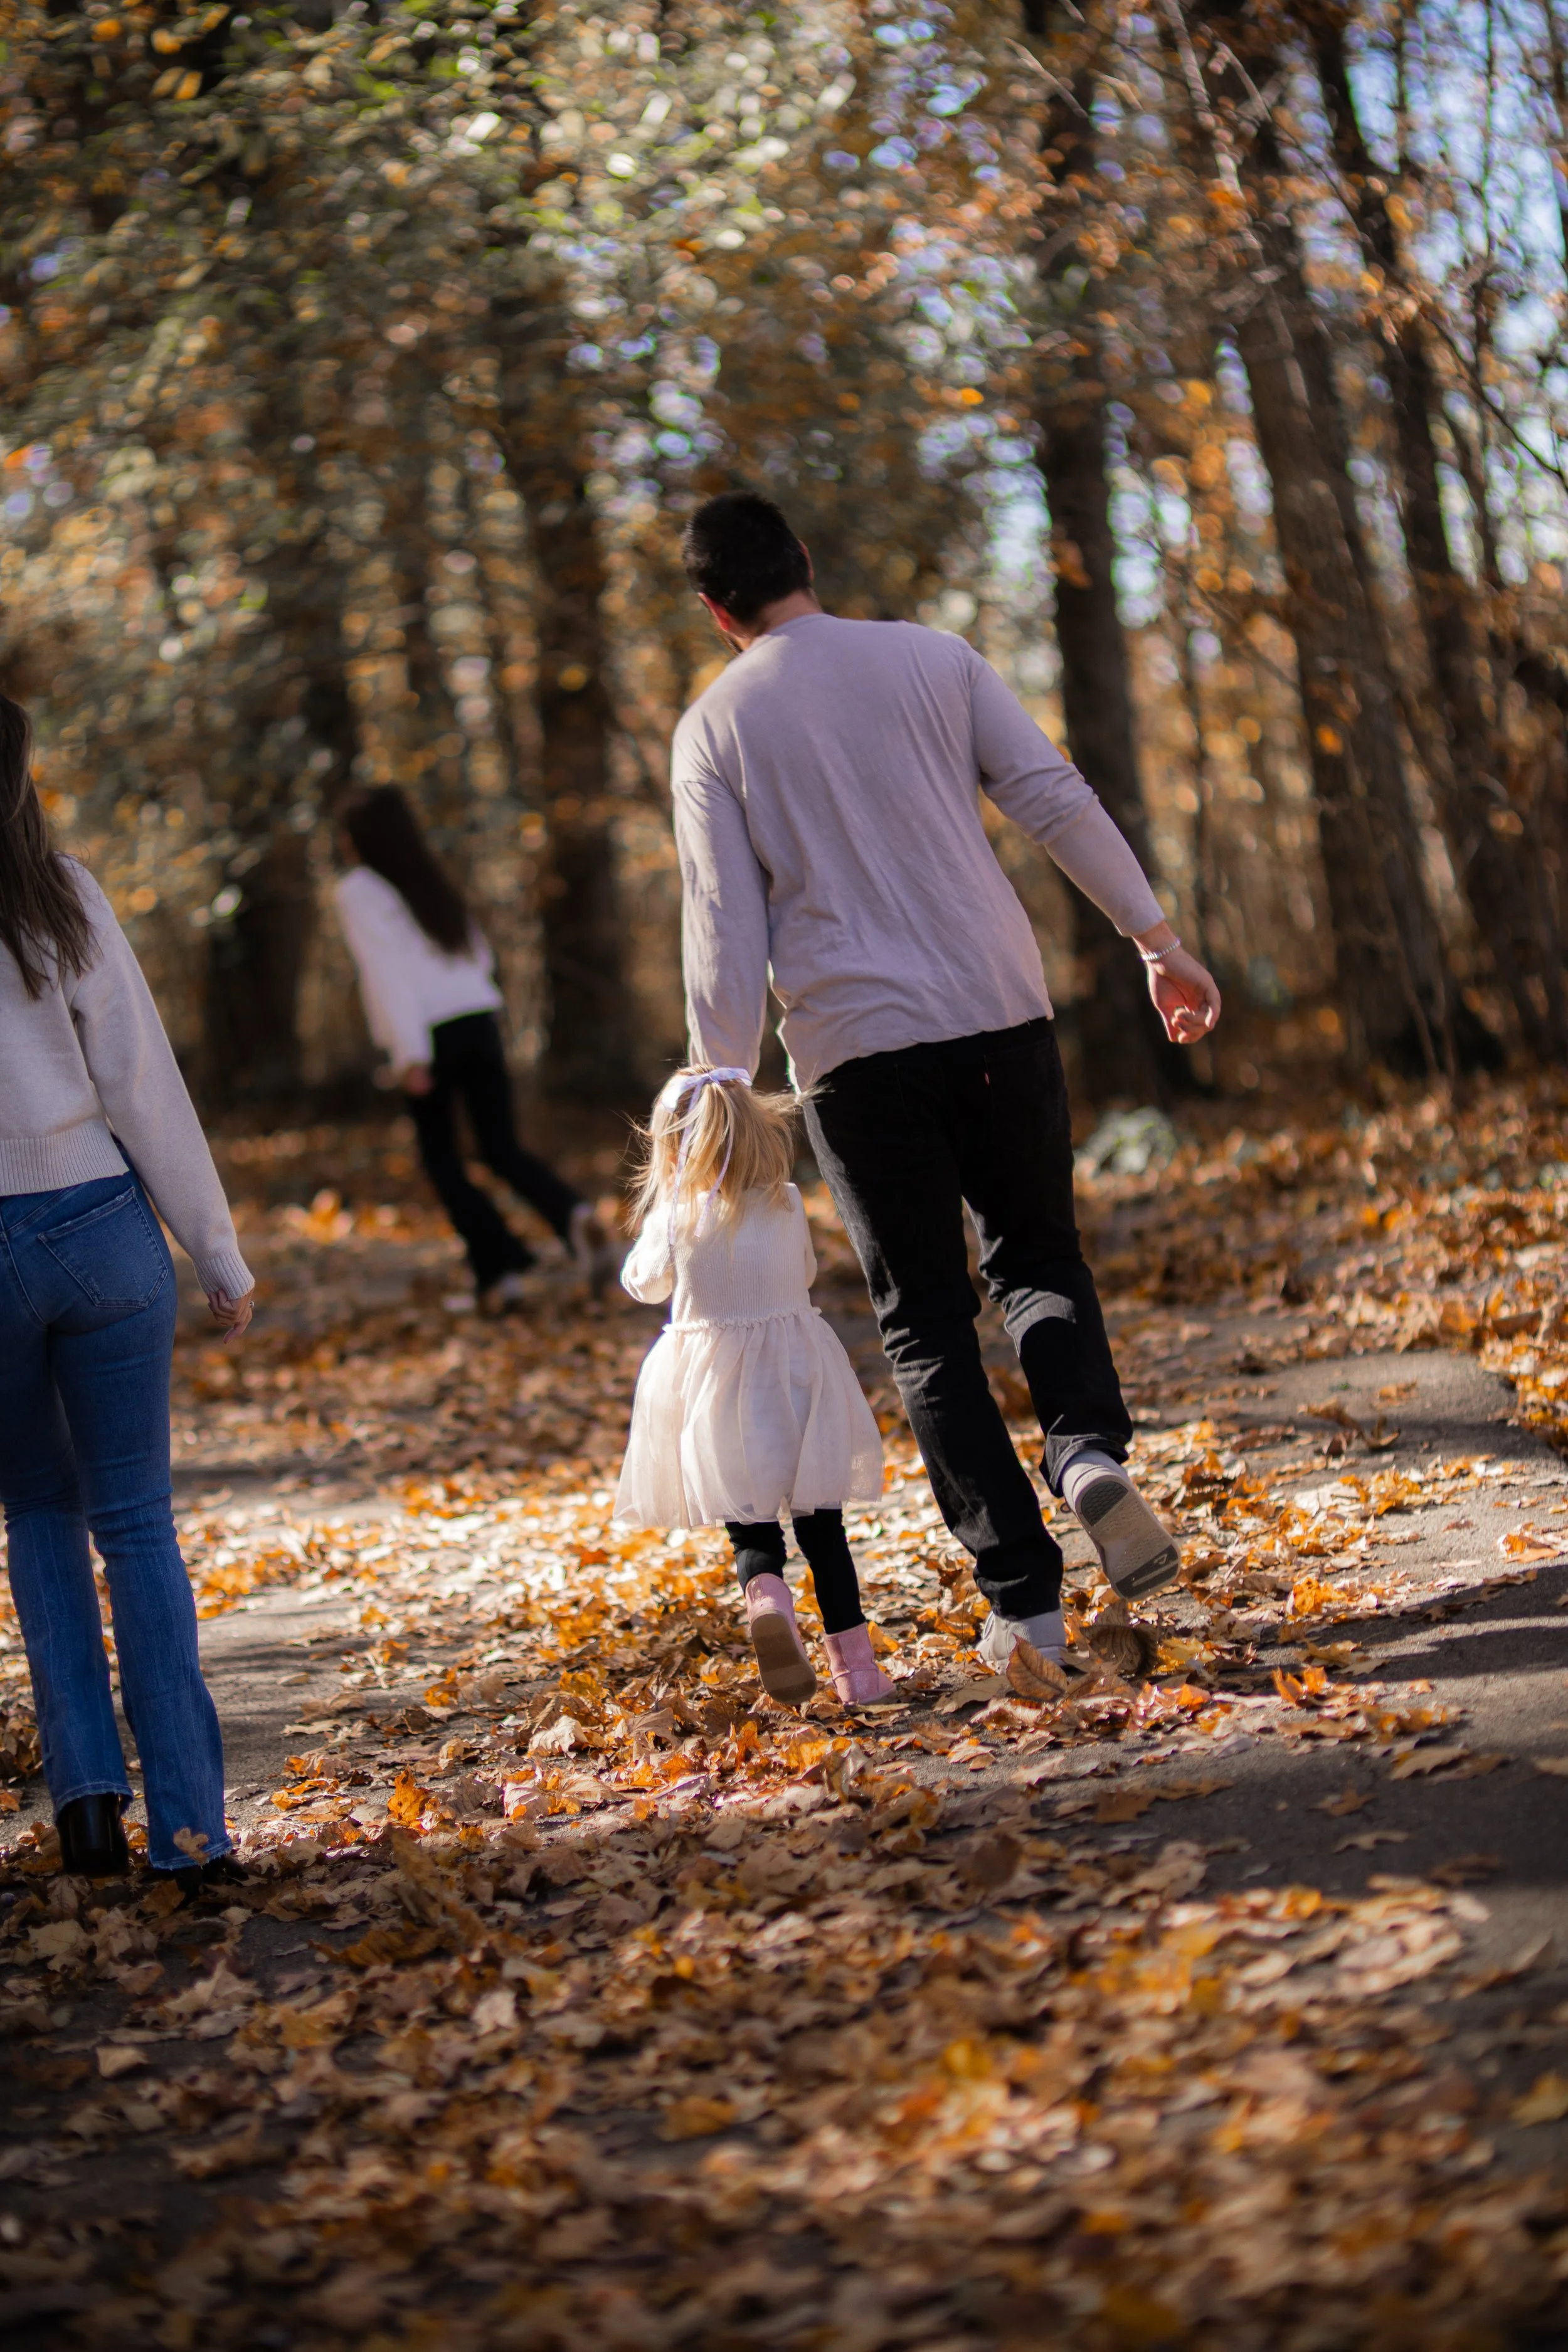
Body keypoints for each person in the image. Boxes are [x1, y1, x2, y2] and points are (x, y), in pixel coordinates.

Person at [671, 492, 1223, 1670]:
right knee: (1037, 1257)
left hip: (855, 1055)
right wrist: (1154, 940)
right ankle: (1087, 1455)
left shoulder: (715, 729)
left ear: (719, 612)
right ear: (807, 559)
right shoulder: (934, 657)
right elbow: (1053, 797)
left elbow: (723, 921)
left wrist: (721, 1078)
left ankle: (1026, 1605)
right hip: (998, 1013)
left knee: (926, 1323)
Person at [0, 692, 253, 1886]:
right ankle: (193, 1832)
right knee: (137, 1524)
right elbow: (143, 1083)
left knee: (38, 1516)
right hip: (101, 1229)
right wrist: (216, 1248)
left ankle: (87, 1814)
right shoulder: (63, 895)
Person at [615, 1067, 897, 1707]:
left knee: (752, 1532)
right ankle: (857, 1675)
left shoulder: (676, 1218)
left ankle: (766, 1596)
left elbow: (644, 1284)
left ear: (669, 1148)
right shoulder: (787, 1201)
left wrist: (663, 1212)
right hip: (797, 1380)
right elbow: (804, 1271)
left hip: (716, 1395)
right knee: (824, 1531)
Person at [332, 785, 617, 1312]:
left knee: (441, 1160)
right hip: (478, 1018)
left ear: (359, 838)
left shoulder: (359, 891)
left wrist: (409, 1054)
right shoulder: (427, 879)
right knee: (500, 1147)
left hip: (431, 1034)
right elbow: (478, 955)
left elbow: (385, 974)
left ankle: (499, 1275)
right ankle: (573, 1216)